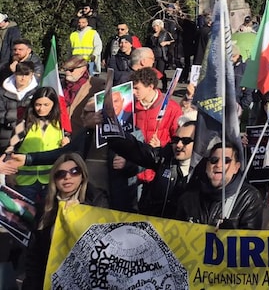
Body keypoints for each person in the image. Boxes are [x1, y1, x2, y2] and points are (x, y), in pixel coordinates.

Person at [21, 154, 108, 290]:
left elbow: (101, 247)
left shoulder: (97, 201)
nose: (67, 177)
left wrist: (82, 213)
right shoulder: (44, 207)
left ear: (83, 175)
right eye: (61, 174)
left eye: (74, 172)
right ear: (54, 180)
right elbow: (34, 253)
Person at [107, 122, 197, 218]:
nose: (178, 145)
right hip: (155, 225)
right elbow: (136, 150)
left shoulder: (203, 172)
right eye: (176, 139)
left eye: (186, 141)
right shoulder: (164, 158)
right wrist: (112, 129)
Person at [175, 141, 263, 229]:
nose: (218, 165)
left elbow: (251, 238)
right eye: (214, 160)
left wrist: (232, 234)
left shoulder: (249, 198)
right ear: (207, 166)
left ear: (236, 167)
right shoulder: (188, 198)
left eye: (226, 161)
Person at [7, 87, 69, 204]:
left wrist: (66, 142)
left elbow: (66, 150)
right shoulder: (24, 123)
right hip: (25, 181)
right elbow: (11, 149)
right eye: (38, 104)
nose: (41, 109)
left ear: (53, 104)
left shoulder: (60, 125)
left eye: (46, 104)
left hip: (50, 180)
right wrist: (10, 174)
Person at [0, 63, 38, 148]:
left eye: (26, 74)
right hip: (4, 133)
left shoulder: (36, 92)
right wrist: (14, 118)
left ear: (32, 75)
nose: (23, 78)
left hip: (27, 134)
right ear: (15, 74)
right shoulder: (3, 91)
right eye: (20, 74)